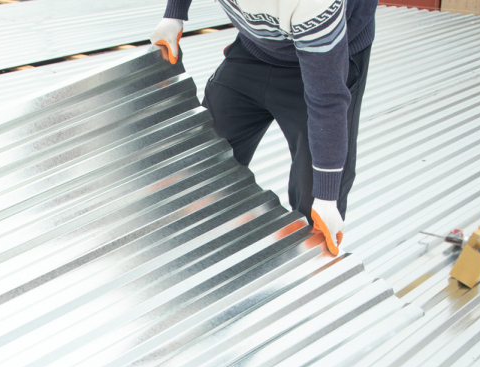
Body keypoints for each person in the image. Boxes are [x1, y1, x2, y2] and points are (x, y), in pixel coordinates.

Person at [151, 0, 377, 255]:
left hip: (327, 58)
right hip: (257, 47)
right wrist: (175, 14)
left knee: (315, 209)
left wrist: (326, 198)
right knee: (202, 165)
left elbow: (327, 101)